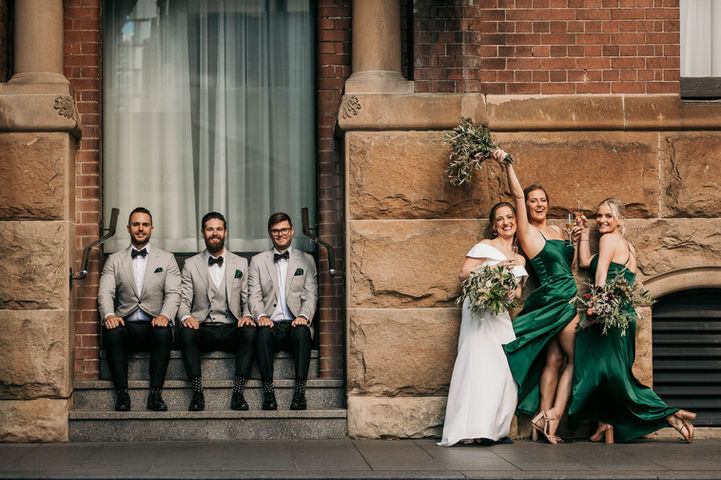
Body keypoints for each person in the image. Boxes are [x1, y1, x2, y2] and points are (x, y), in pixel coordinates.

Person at [568, 197, 695, 443]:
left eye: (608, 216)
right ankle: (606, 424)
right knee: (609, 376)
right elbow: (586, 262)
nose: (602, 220)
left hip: (607, 318)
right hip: (623, 317)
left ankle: (671, 415)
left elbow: (601, 273)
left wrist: (596, 308)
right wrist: (583, 232)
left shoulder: (608, 240)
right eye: (599, 216)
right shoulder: (628, 246)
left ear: (620, 220)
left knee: (616, 379)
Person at [494, 151, 579, 444]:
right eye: (533, 200)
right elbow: (516, 196)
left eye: (542, 199)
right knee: (576, 358)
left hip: (567, 293)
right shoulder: (528, 233)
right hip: (556, 299)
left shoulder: (557, 230)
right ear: (527, 208)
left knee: (555, 359)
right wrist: (508, 165)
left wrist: (577, 241)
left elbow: (572, 266)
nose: (538, 204)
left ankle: (542, 420)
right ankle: (552, 415)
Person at [438, 202, 527, 447]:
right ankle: (477, 429)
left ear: (516, 222)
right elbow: (464, 273)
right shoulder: (486, 247)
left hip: (500, 315)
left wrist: (512, 294)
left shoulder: (519, 257)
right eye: (500, 219)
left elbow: (519, 291)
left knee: (505, 367)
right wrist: (495, 268)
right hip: (479, 311)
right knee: (477, 364)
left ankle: (496, 429)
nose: (506, 222)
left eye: (510, 217)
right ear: (494, 225)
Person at [98, 207, 181, 411]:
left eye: (145, 225)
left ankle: (155, 395)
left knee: (164, 332)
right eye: (136, 224)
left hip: (154, 323)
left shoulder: (167, 259)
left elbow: (173, 293)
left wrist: (165, 315)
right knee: (112, 331)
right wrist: (109, 315)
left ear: (152, 229)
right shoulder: (114, 260)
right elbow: (105, 292)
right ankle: (122, 395)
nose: (140, 228)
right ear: (128, 228)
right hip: (125, 323)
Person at [177, 211, 256, 411]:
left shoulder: (241, 263)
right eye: (210, 229)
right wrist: (186, 317)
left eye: (219, 229)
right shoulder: (190, 264)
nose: (215, 233)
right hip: (203, 327)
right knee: (186, 331)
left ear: (225, 232)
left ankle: (238, 393)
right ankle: (197, 393)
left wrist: (247, 315)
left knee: (250, 330)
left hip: (232, 327)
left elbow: (247, 297)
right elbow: (184, 299)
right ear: (203, 233)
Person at [249, 212, 318, 410]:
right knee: (261, 333)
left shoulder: (306, 261)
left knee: (303, 331)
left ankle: (299, 392)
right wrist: (261, 316)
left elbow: (311, 294)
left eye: (284, 230)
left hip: (295, 323)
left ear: (292, 230)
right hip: (270, 324)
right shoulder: (258, 261)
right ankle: (268, 393)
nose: (280, 234)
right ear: (270, 233)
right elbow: (253, 294)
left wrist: (304, 316)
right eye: (276, 231)